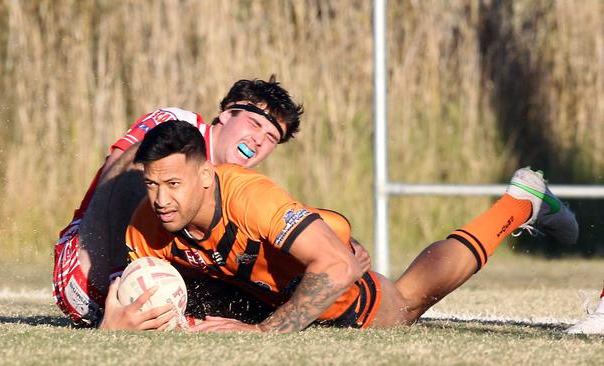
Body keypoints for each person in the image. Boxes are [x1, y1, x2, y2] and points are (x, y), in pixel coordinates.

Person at [99, 121, 579, 331]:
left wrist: (267, 334)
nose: (161, 200)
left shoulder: (248, 196)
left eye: (173, 184)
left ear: (205, 176)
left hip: (342, 292)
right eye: (151, 185)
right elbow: (137, 290)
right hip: (268, 286)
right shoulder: (147, 224)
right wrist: (112, 322)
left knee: (406, 303)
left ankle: (519, 203)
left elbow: (335, 266)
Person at [53, 77, 372, 326]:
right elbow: (117, 180)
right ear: (225, 115)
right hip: (86, 272)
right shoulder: (180, 126)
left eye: (272, 138)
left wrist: (331, 242)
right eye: (255, 124)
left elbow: (277, 216)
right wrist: (114, 279)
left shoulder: (230, 183)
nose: (260, 139)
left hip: (145, 290)